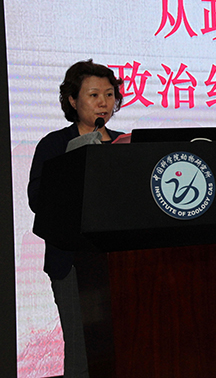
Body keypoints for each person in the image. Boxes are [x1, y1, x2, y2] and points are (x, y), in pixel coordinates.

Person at [27, 60, 124, 378]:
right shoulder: (54, 145)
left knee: (125, 348)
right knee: (83, 353)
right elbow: (37, 199)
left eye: (109, 94)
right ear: (72, 100)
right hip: (71, 262)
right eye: (94, 95)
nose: (103, 102)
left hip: (121, 262)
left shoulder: (125, 144)